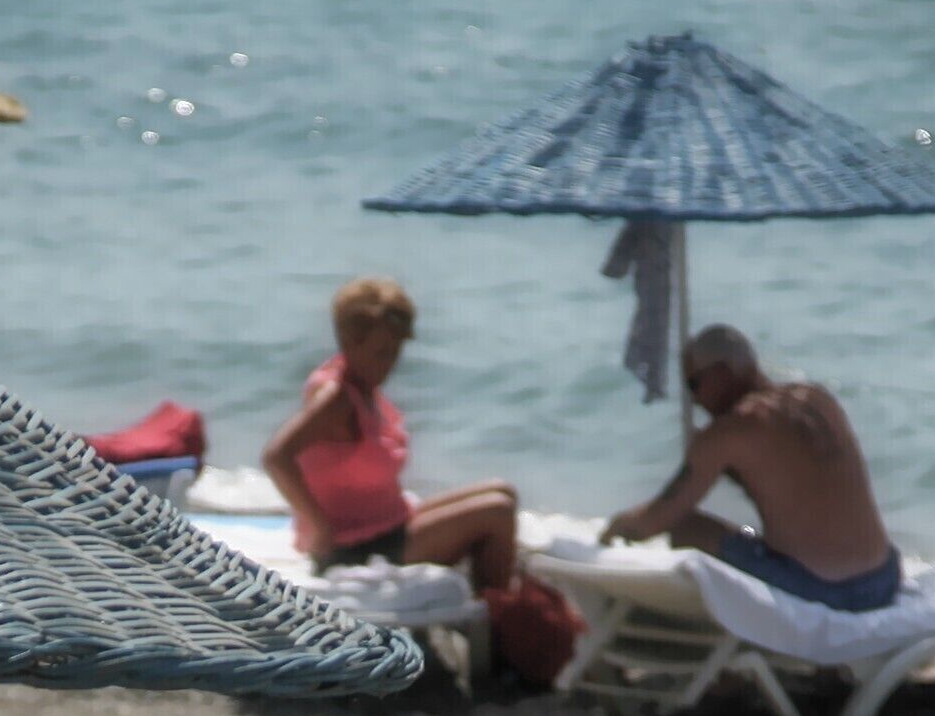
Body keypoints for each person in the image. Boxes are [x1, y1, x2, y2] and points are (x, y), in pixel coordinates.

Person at [261, 278, 581, 686]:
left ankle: (495, 632)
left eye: (395, 352)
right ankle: (498, 652)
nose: (389, 364)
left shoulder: (360, 385)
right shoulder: (336, 397)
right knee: (496, 514)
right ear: (349, 340)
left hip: (386, 527)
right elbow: (276, 456)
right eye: (380, 353)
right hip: (358, 548)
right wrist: (318, 526)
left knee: (503, 492)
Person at [600, 324, 901, 611]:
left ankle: (710, 627)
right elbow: (789, 481)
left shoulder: (730, 431)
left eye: (693, 384)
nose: (693, 399)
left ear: (721, 373)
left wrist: (612, 531)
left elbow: (656, 520)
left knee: (687, 527)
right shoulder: (816, 399)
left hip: (822, 590)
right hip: (884, 578)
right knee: (750, 533)